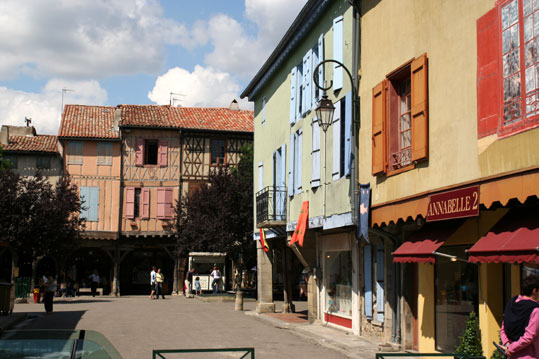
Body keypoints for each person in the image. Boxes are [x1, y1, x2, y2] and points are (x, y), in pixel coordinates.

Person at [500, 275, 539, 359]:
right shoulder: (535, 310)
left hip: (512, 356)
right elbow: (528, 337)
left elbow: (503, 327)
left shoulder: (511, 303)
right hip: (530, 355)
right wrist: (510, 349)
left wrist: (507, 345)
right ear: (534, 291)